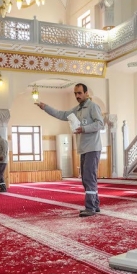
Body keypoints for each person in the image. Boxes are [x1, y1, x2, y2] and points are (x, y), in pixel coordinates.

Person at [36, 83, 104, 217]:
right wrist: (45, 107)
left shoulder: (93, 107)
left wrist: (84, 129)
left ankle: (90, 207)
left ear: (86, 93)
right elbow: (61, 114)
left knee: (89, 178)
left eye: (79, 93)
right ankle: (95, 205)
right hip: (83, 148)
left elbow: (100, 124)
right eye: (75, 93)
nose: (77, 96)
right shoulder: (77, 110)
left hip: (92, 148)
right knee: (86, 179)